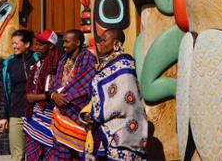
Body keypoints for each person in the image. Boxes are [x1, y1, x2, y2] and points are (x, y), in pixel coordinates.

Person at [81, 28, 148, 161]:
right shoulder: (106, 64)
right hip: (106, 126)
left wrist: (97, 115)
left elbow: (126, 100)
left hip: (123, 128)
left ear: (116, 43)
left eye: (104, 40)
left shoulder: (124, 64)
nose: (101, 43)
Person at [48, 29, 97, 160]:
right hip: (60, 114)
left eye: (66, 42)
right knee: (61, 154)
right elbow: (54, 85)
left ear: (78, 42)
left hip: (77, 113)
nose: (63, 45)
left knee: (79, 154)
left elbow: (86, 86)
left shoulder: (89, 59)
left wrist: (63, 98)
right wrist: (54, 96)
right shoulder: (63, 60)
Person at [0, 29, 37, 161]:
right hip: (16, 113)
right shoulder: (8, 64)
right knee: (17, 155)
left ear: (27, 44)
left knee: (35, 154)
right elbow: (3, 93)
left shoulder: (37, 60)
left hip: (36, 113)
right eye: (12, 43)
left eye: (16, 43)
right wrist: (2, 116)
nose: (13, 46)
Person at [23, 29, 61, 161]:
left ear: (50, 46)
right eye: (37, 44)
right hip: (34, 115)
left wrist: (36, 97)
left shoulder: (57, 65)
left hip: (49, 117)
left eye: (41, 44)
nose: (37, 47)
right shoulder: (37, 64)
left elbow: (57, 92)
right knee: (32, 155)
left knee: (49, 156)